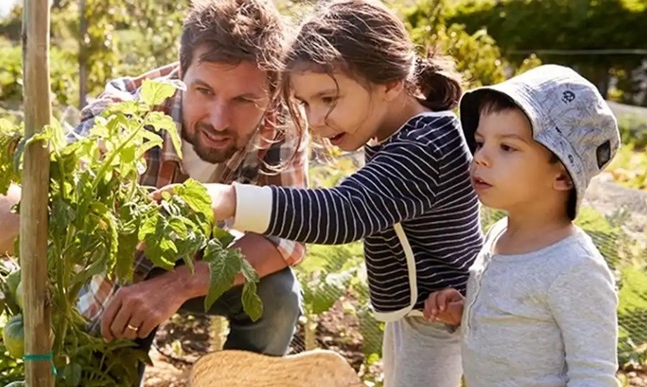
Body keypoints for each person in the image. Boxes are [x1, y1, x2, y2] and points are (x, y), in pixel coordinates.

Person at [0, 0, 309, 379]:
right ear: (181, 71)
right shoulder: (129, 110)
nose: (218, 120)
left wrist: (177, 285)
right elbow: (17, 205)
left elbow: (286, 236)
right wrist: (16, 214)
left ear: (271, 92)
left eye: (243, 100)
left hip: (201, 262)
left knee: (277, 296)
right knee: (100, 373)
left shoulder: (282, 121)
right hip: (121, 275)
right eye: (204, 91)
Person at [154, 1, 484, 385]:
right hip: (422, 311)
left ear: (391, 83)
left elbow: (341, 213)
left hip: (442, 315)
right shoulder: (399, 134)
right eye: (305, 103)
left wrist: (230, 200)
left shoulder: (425, 147)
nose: (314, 121)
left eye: (328, 99)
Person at [422, 64, 621, 386]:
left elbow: (594, 375)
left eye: (507, 147)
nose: (480, 158)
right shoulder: (498, 235)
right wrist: (465, 312)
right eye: (480, 142)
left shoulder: (574, 268)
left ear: (562, 175)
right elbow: (518, 325)